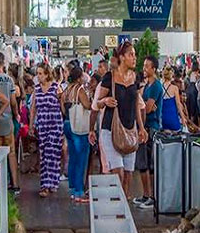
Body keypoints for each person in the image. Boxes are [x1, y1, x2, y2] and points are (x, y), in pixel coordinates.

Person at [92, 42, 147, 198]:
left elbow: (136, 103)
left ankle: (122, 210)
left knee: (128, 176)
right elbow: (97, 102)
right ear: (122, 57)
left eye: (134, 54)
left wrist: (141, 127)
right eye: (131, 54)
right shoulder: (110, 77)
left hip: (130, 129)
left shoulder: (135, 77)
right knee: (119, 172)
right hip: (110, 129)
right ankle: (116, 205)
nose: (134, 58)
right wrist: (105, 101)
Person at [134, 56, 164, 210]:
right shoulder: (146, 86)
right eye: (144, 66)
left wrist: (143, 107)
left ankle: (151, 196)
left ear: (154, 69)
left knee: (148, 164)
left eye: (147, 66)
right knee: (142, 164)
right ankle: (146, 194)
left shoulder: (156, 86)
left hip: (151, 128)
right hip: (144, 127)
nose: (144, 69)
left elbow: (147, 107)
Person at [30, 63, 64, 198]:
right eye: (37, 73)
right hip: (43, 125)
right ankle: (46, 184)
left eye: (40, 73)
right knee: (44, 154)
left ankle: (51, 182)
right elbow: (33, 108)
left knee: (53, 153)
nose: (38, 76)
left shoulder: (56, 87)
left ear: (46, 73)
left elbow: (62, 106)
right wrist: (31, 125)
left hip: (55, 124)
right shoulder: (36, 89)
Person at [62, 66, 92, 201]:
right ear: (79, 78)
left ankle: (73, 187)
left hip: (67, 124)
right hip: (78, 127)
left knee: (73, 157)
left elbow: (62, 106)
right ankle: (79, 191)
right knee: (81, 158)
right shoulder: (79, 89)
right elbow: (87, 105)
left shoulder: (66, 89)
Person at [0, 52, 21, 194]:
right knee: (12, 153)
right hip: (8, 121)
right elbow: (13, 101)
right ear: (4, 63)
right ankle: (15, 184)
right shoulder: (9, 80)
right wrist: (16, 114)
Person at [161, 66, 188, 132]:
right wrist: (183, 118)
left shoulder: (160, 87)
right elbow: (178, 104)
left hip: (163, 117)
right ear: (171, 75)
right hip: (173, 116)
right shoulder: (174, 88)